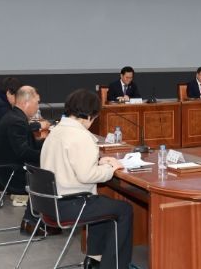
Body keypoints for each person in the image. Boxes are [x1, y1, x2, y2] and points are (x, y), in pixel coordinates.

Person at [41, 89, 133, 269]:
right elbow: (87, 176)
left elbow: (68, 162)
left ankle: (94, 259)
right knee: (124, 210)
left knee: (103, 203)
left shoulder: (56, 130)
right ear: (90, 115)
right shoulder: (81, 136)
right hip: (71, 203)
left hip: (50, 203)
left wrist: (98, 162)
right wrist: (110, 168)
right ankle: (112, 265)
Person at [0, 86, 53, 228]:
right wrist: (49, 156)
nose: (38, 107)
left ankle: (33, 220)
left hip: (8, 168)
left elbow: (30, 145)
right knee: (50, 178)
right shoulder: (16, 121)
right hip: (10, 174)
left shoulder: (15, 116)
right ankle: (37, 222)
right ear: (26, 102)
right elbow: (24, 153)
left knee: (45, 172)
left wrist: (50, 142)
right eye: (37, 102)